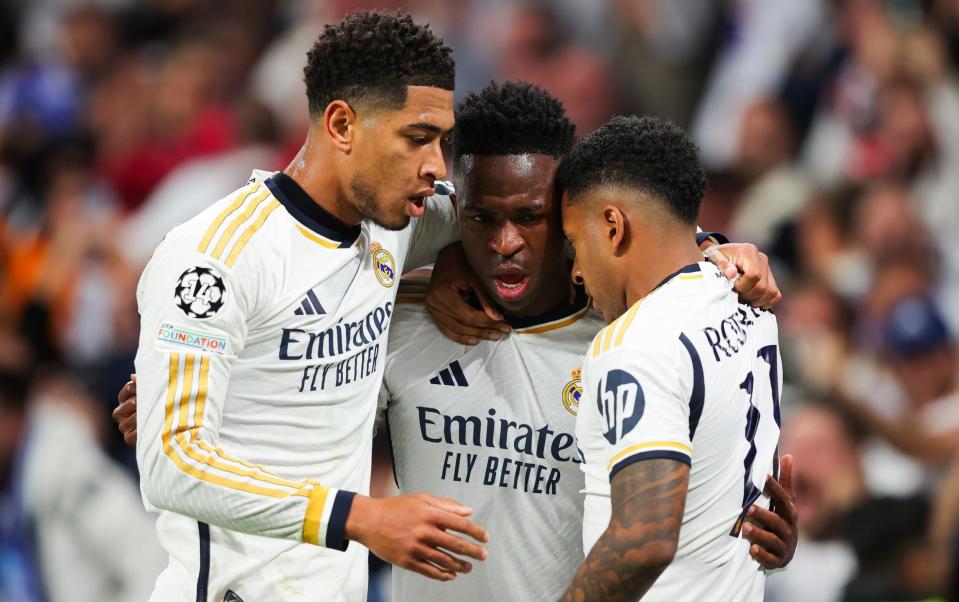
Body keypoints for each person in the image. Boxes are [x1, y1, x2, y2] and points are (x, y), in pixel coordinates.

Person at [119, 82, 796, 600]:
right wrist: (177, 391)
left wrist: (762, 536)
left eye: (530, 218)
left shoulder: (627, 338)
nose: (505, 244)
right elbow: (280, 398)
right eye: (480, 219)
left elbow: (709, 482)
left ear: (574, 215)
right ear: (453, 211)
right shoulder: (402, 317)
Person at [131, 11, 487, 602]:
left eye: (442, 141)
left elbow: (526, 215)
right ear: (342, 124)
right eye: (417, 138)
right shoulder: (216, 258)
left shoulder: (396, 225)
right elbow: (174, 462)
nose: (436, 166)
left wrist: (697, 247)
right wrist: (359, 517)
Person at [559, 116, 784, 601]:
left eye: (576, 242)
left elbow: (644, 541)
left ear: (613, 227)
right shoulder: (752, 302)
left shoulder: (635, 343)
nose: (576, 272)